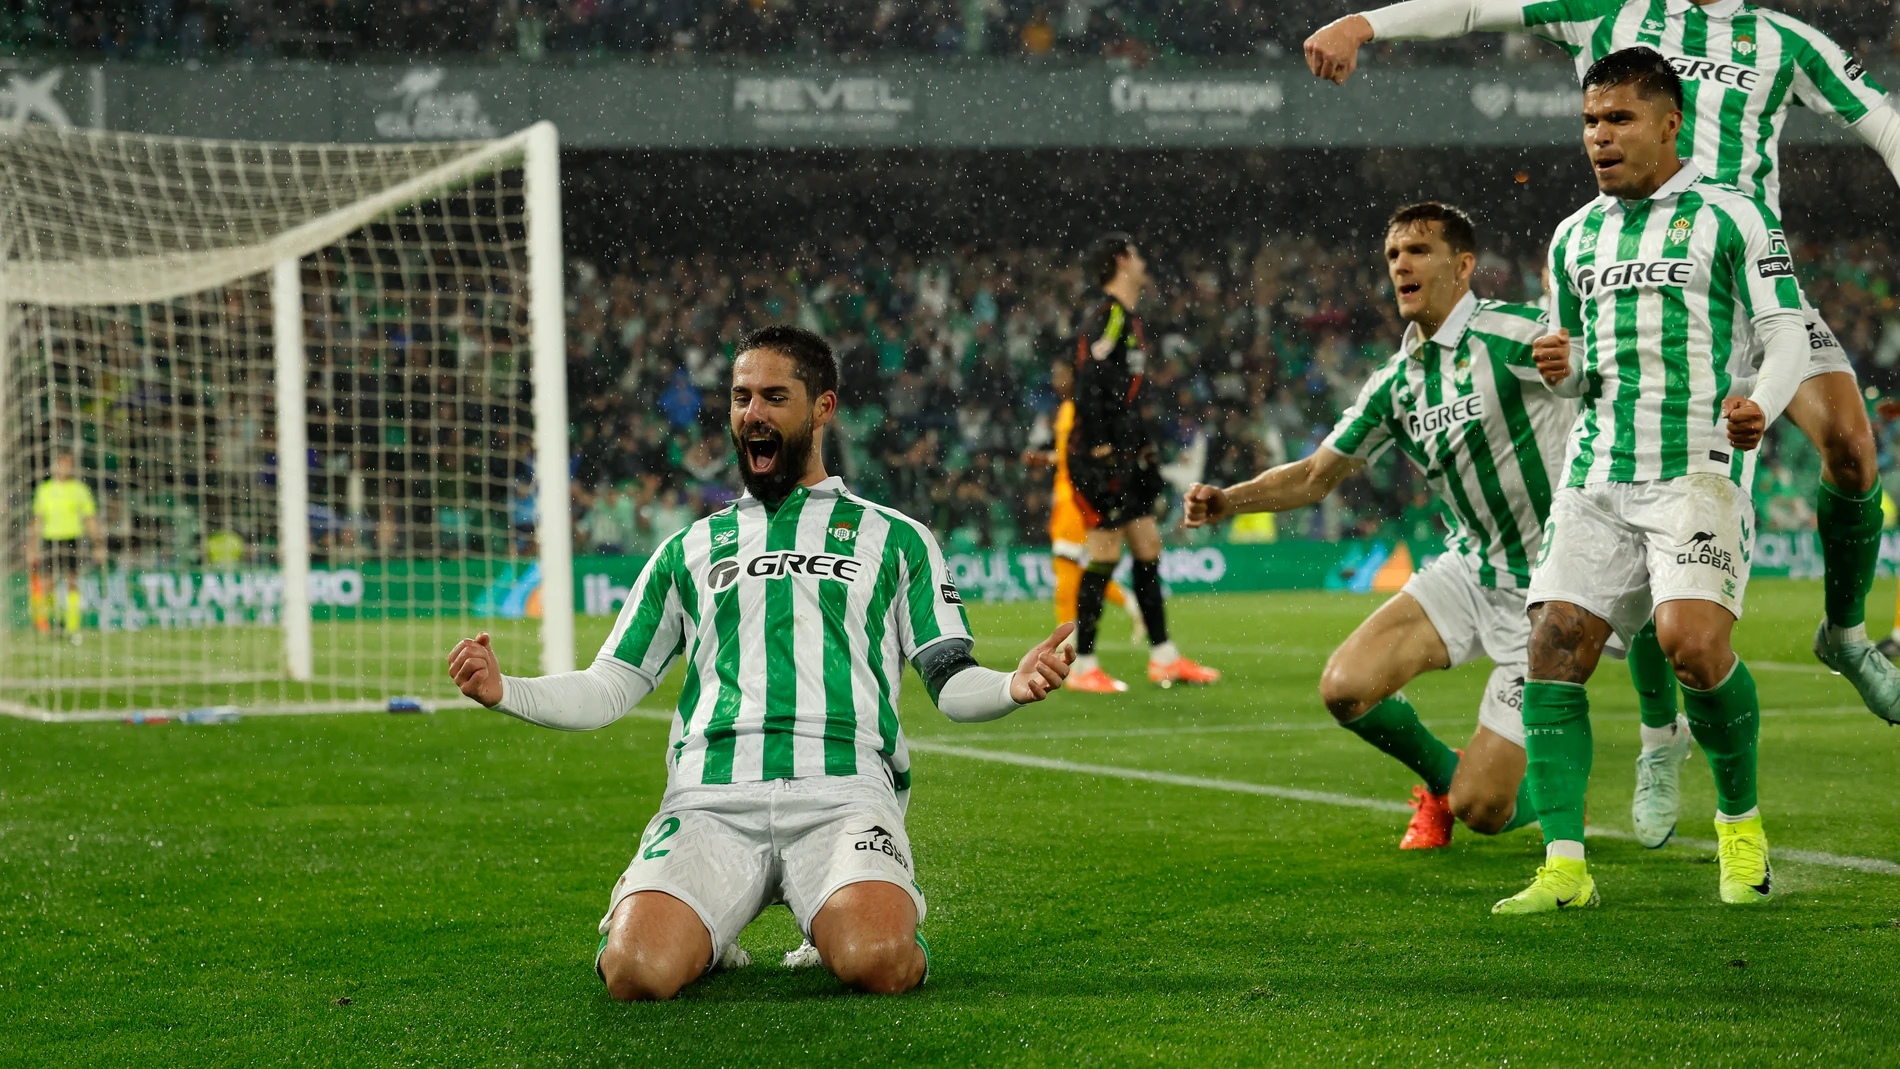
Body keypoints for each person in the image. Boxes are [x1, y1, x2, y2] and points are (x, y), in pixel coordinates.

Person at [1302, 0, 1900, 847]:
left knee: (1849, 444)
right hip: (1642, 293)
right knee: (1654, 548)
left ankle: (1843, 635)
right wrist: (1365, 24)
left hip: (1748, 285)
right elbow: (1475, 9)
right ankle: (1661, 741)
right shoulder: (1608, 14)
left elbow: (1882, 121)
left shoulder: (1784, 39)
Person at [446, 325, 1075, 1000]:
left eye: (776, 396)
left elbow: (950, 681)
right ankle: (709, 930)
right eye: (743, 396)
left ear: (823, 407)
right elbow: (608, 686)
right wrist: (507, 689)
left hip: (842, 795)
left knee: (880, 961)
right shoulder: (689, 548)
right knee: (634, 971)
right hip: (710, 800)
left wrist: (1012, 683)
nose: (754, 413)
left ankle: (848, 911)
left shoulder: (894, 538)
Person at [1502, 49, 1807, 913]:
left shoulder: (1732, 215)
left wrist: (1767, 401)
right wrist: (1556, 368)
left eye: (1619, 119)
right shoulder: (1573, 236)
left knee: (1693, 645)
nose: (1600, 137)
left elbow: (1784, 329)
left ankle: (1740, 827)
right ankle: (1565, 865)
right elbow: (1569, 371)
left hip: (1697, 469)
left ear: (1670, 122)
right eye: (1591, 122)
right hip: (1596, 474)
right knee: (1553, 643)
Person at [1186, 202, 1570, 849]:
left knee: (1485, 808)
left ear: (1464, 265)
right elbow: (1314, 476)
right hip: (1471, 569)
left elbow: (1600, 372)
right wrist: (1229, 500)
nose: (1401, 265)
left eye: (1418, 250)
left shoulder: (1513, 335)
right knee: (1345, 688)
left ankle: (1555, 787)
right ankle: (1441, 782)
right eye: (1393, 254)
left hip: (1548, 595)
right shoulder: (1397, 384)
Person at [1064, 232, 1218, 693]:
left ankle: (1164, 658)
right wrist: (1101, 447)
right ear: (1119, 261)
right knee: (1105, 553)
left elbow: (1121, 395)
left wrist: (1140, 448)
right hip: (1100, 458)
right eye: (1136, 254)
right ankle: (1081, 664)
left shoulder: (1127, 319)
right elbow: (1088, 381)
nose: (1144, 261)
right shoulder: (1107, 316)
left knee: (1148, 545)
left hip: (1126, 454)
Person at [1022, 359, 1146, 645]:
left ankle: (1068, 643)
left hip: (1076, 500)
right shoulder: (1067, 409)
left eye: (1060, 374)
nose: (1055, 381)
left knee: (1068, 569)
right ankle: (1126, 605)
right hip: (1065, 497)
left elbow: (1088, 453)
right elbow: (1069, 455)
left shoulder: (1083, 409)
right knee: (1078, 571)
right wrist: (1045, 459)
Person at [29, 453, 106, 640]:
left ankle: (72, 628)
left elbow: (90, 519)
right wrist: (31, 547)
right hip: (50, 539)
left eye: (67, 464)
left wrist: (98, 544)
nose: (64, 468)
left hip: (72, 539)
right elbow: (37, 520)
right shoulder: (44, 490)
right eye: (60, 463)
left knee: (72, 582)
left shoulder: (80, 489)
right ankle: (51, 623)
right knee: (47, 584)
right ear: (54, 465)